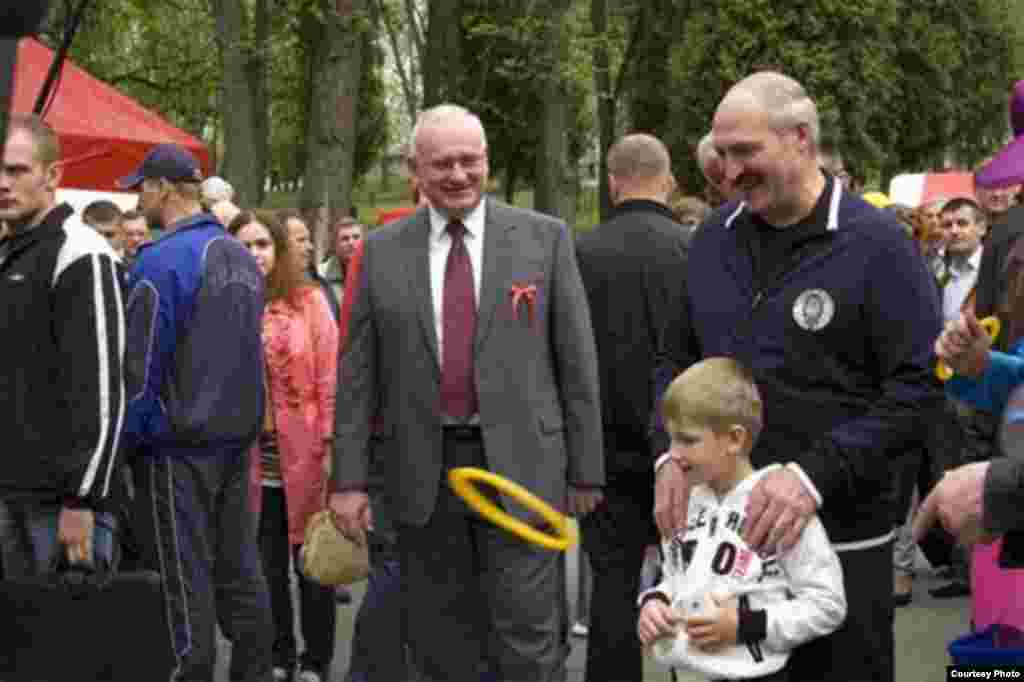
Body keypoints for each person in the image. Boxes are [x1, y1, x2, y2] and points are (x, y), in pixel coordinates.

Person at [654, 71, 942, 682]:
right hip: (729, 556)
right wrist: (671, 459)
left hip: (839, 541)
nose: (728, 172)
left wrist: (811, 478)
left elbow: (915, 391)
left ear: (802, 140)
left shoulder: (880, 244)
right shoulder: (711, 241)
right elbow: (675, 362)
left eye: (745, 152)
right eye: (722, 153)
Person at [330, 104, 604, 682]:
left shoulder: (545, 240)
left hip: (524, 469)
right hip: (420, 474)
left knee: (527, 635)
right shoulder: (380, 251)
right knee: (435, 638)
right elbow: (357, 375)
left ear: (487, 161)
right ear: (416, 169)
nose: (458, 175)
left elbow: (576, 363)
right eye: (442, 164)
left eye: (469, 160)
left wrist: (586, 471)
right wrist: (348, 480)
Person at [119, 143, 273, 682]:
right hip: (236, 442)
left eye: (143, 187)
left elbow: (139, 371)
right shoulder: (238, 254)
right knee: (241, 574)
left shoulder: (158, 261)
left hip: (177, 448)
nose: (139, 198)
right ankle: (254, 671)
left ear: (162, 188)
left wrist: (130, 444)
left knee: (185, 589)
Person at [639, 358, 846, 681]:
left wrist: (746, 626)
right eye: (670, 439)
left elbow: (827, 604)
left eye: (688, 440)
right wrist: (654, 602)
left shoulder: (780, 509)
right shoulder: (686, 498)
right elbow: (675, 576)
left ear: (734, 439)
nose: (673, 454)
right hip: (685, 671)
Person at [574, 132, 689, 682]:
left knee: (613, 594)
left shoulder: (579, 252)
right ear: (667, 181)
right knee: (696, 584)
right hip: (688, 450)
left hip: (602, 452)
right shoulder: (694, 250)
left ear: (614, 183)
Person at [0, 113, 125, 577]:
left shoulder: (82, 251)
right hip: (11, 494)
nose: (3, 184)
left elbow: (103, 391)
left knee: (71, 644)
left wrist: (83, 499)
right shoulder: (12, 250)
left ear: (53, 175)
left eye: (16, 170)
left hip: (61, 504)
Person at [228, 210, 339, 682]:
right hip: (251, 463)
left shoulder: (310, 302)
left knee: (314, 566)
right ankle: (279, 653)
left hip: (308, 457)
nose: (254, 255)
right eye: (245, 246)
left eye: (262, 245)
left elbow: (332, 374)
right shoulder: (227, 303)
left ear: (278, 250)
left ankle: (317, 659)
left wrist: (336, 445)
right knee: (266, 570)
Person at [318, 215, 364, 304]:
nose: (351, 243)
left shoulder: (373, 269)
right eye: (345, 239)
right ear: (335, 245)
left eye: (356, 237)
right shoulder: (321, 274)